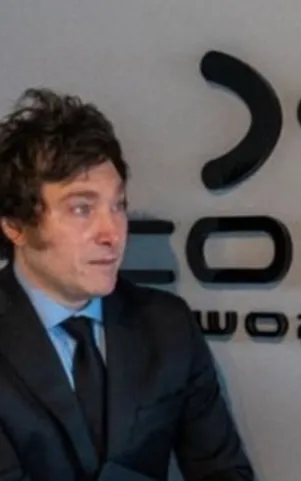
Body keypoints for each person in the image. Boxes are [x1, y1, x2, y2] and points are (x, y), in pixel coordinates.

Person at [0, 88, 255, 481]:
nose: (113, 233)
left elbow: (223, 471)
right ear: (15, 226)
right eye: (81, 208)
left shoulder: (167, 325)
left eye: (118, 205)